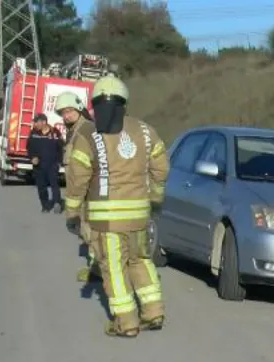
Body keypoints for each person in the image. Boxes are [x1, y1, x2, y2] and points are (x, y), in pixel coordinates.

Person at [64, 74, 169, 338]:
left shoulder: (88, 132)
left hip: (107, 220)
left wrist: (73, 212)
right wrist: (155, 198)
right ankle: (153, 310)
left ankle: (126, 321)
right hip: (140, 217)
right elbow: (161, 167)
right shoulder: (145, 130)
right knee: (140, 260)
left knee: (114, 269)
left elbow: (78, 178)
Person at [55, 92, 99, 283]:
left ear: (79, 108)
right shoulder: (74, 130)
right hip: (80, 190)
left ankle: (97, 269)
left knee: (90, 231)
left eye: (69, 111)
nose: (66, 116)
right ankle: (96, 267)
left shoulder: (86, 129)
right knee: (87, 231)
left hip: (87, 191)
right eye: (63, 113)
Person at [27, 113, 64, 213]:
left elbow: (61, 148)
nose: (35, 124)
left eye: (36, 122)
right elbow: (29, 148)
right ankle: (45, 205)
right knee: (41, 187)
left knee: (54, 185)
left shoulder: (55, 133)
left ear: (44, 122)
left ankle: (57, 203)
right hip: (38, 166)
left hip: (52, 164)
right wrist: (32, 158)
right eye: (34, 122)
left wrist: (60, 162)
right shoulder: (33, 133)